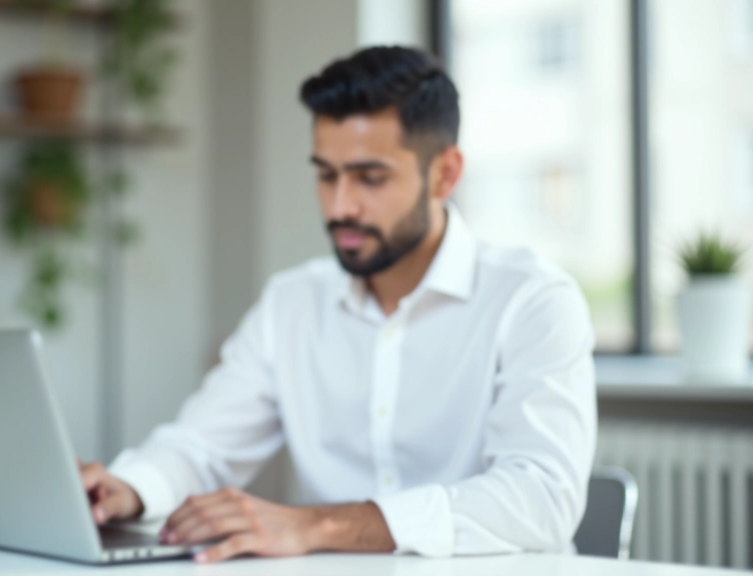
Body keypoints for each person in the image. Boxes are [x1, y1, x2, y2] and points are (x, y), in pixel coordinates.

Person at [79, 46, 596, 564]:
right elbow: (203, 447)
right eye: (327, 175)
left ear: (445, 174)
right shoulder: (292, 303)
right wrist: (127, 488)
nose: (341, 206)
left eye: (370, 178)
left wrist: (318, 524)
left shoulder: (532, 300)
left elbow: (541, 496)